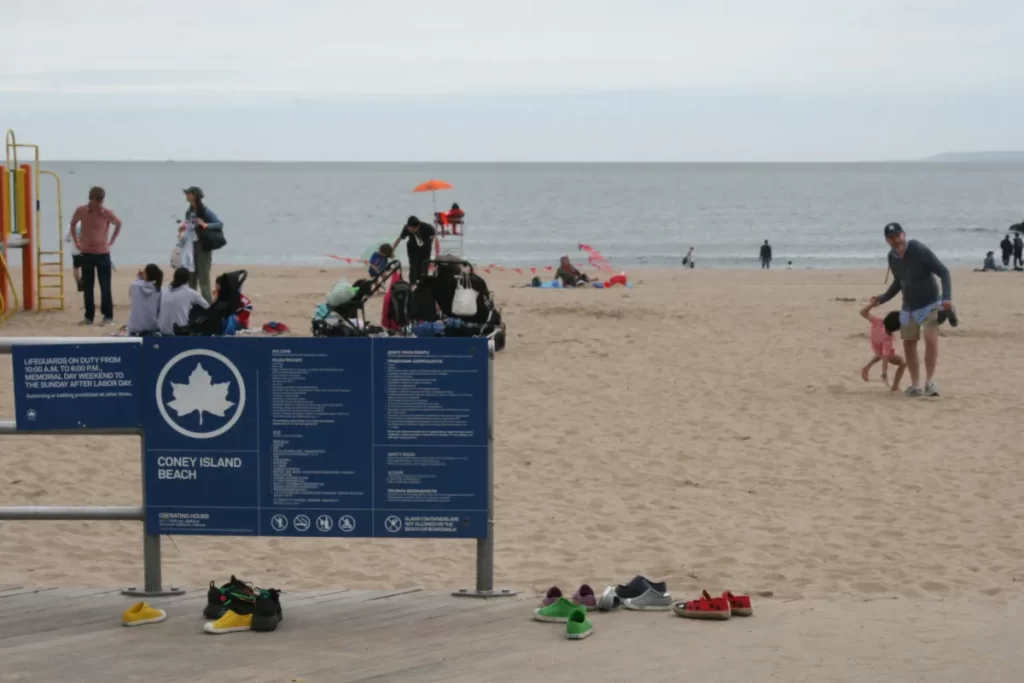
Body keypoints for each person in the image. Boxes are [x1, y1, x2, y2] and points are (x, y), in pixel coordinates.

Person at [868, 222, 952, 397]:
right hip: (909, 307)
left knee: (930, 338)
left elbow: (944, 272)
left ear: (904, 235)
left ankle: (929, 383)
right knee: (909, 345)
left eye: (898, 236)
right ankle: (915, 385)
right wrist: (882, 298)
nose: (896, 240)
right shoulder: (892, 257)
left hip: (931, 303)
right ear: (887, 240)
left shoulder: (919, 249)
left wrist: (947, 299)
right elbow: (898, 282)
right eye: (891, 237)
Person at [69, 186, 122, 325]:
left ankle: (108, 316)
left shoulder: (106, 213)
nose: (99, 204)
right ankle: (89, 316)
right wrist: (76, 241)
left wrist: (112, 240)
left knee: (105, 286)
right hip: (87, 253)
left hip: (103, 253)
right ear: (90, 199)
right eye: (96, 201)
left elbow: (118, 223)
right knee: (88, 287)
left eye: (101, 201)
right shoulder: (81, 211)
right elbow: (73, 224)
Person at [181, 186, 224, 303]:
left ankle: (208, 305)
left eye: (188, 193)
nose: (186, 196)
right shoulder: (188, 212)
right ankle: (192, 305)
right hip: (190, 247)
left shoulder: (205, 211)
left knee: (204, 279)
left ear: (194, 195)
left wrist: (204, 224)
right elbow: (189, 228)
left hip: (202, 247)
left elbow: (219, 224)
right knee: (191, 278)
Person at [858, 303, 906, 392]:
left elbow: (862, 312)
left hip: (876, 346)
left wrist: (872, 304)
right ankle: (895, 386)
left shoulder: (878, 322)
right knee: (903, 363)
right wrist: (884, 373)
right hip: (882, 349)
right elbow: (885, 358)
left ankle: (867, 367)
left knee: (880, 354)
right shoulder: (887, 341)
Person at [158, 266, 208, 336]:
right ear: (187, 279)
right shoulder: (190, 293)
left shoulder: (163, 291)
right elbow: (207, 307)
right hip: (179, 332)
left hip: (162, 331)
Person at [392, 216, 436, 283]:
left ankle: (422, 285)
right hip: (412, 249)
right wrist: (392, 249)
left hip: (425, 249)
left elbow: (434, 234)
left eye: (412, 229)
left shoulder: (426, 227)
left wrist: (431, 243)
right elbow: (400, 238)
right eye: (409, 228)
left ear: (417, 226)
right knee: (413, 267)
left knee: (424, 268)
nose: (410, 230)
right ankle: (412, 284)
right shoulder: (406, 227)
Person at [126, 264, 163, 336]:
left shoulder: (135, 285)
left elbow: (130, 294)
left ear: (146, 274)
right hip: (151, 327)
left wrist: (139, 278)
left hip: (135, 328)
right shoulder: (159, 290)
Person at [63, 222, 83, 291]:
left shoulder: (71, 225)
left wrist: (72, 240)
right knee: (86, 267)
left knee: (76, 267)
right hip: (86, 249)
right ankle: (84, 281)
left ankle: (78, 283)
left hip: (75, 249)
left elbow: (66, 238)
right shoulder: (86, 223)